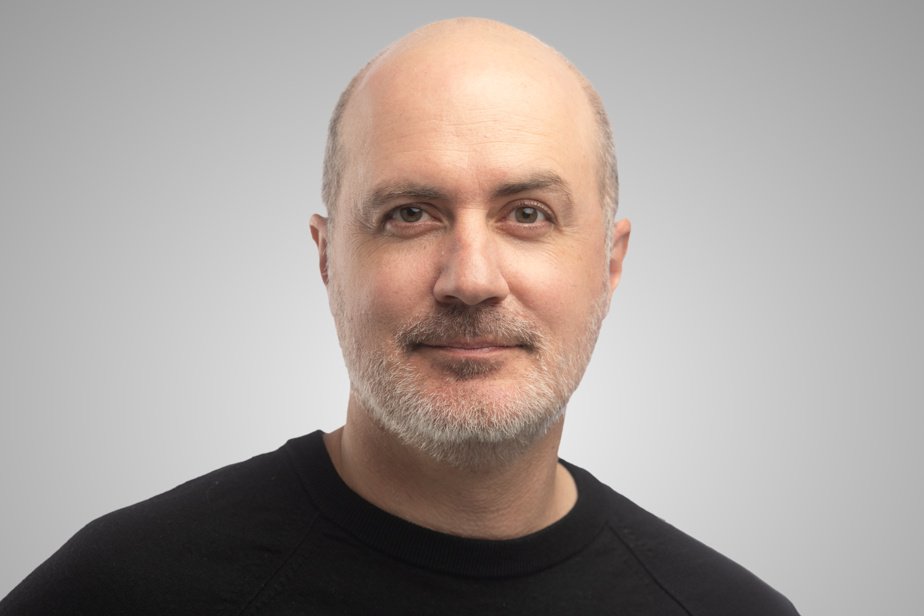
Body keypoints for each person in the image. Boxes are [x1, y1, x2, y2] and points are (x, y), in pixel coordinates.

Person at [0, 17, 798, 615]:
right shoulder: (122, 590)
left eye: (527, 214)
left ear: (610, 264)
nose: (471, 280)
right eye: (410, 214)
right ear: (326, 258)